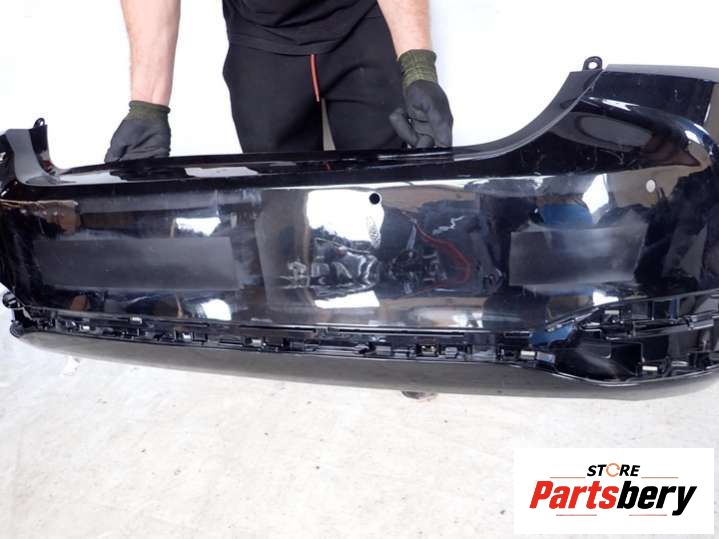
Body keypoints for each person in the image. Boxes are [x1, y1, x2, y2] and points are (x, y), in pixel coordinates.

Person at [105, 0, 454, 161]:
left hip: (361, 20)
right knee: (278, 212)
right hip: (260, 33)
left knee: (383, 190)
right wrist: (147, 108)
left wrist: (418, 66)